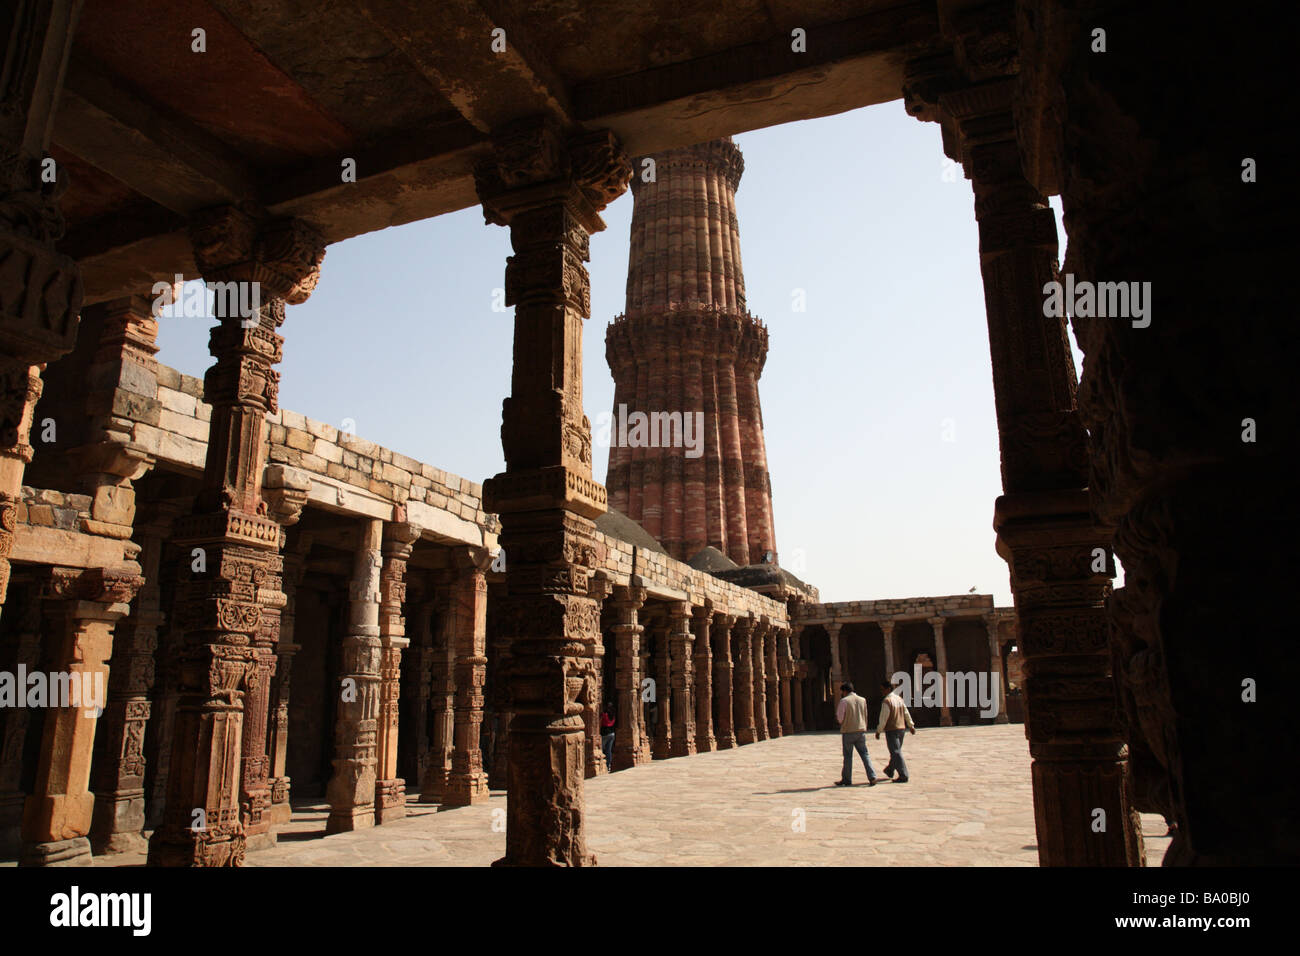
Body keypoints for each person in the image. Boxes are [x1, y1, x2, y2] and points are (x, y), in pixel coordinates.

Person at [833, 682, 878, 787]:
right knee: (865, 754)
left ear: (844, 691)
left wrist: (842, 722)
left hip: (848, 731)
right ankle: (872, 776)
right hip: (860, 730)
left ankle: (847, 779)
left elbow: (840, 717)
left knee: (848, 756)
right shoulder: (862, 700)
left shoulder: (844, 701)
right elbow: (865, 714)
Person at [876, 679, 916, 783]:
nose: (882, 692)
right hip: (901, 728)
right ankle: (890, 770)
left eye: (882, 689)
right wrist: (910, 725)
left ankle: (903, 775)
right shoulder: (899, 699)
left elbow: (883, 718)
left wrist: (879, 730)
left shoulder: (887, 701)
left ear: (888, 689)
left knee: (896, 752)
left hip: (892, 729)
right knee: (896, 751)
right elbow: (906, 713)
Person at [600, 701, 617, 772]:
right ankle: (608, 764)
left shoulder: (604, 715)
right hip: (612, 733)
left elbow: (601, 722)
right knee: (608, 750)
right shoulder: (613, 716)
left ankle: (602, 763)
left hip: (605, 733)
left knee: (601, 748)